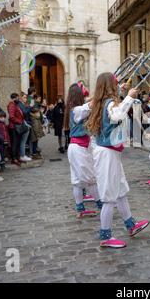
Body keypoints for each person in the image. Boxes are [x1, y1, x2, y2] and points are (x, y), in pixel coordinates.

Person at [87, 73, 150, 249]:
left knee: (120, 190)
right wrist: (129, 98)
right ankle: (105, 236)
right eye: (115, 85)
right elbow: (117, 115)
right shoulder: (108, 104)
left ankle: (130, 224)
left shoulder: (102, 102)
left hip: (110, 152)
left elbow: (114, 110)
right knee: (109, 197)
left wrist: (124, 94)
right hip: (107, 153)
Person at [64, 83, 101, 218]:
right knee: (90, 178)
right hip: (79, 148)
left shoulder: (72, 108)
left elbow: (90, 101)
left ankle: (80, 209)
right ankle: (101, 205)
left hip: (75, 147)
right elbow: (91, 104)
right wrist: (102, 91)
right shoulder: (78, 110)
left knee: (78, 181)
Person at [7, 93, 25, 166]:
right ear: (13, 98)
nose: (18, 99)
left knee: (17, 142)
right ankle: (14, 158)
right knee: (14, 143)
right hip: (14, 127)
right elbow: (11, 117)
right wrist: (19, 121)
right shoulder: (11, 105)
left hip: (17, 126)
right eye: (17, 98)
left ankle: (17, 157)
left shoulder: (15, 105)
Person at [17, 93, 32, 162]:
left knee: (23, 141)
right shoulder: (20, 104)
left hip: (25, 124)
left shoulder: (22, 104)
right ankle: (22, 155)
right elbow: (25, 112)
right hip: (24, 125)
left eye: (26, 97)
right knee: (23, 141)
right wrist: (29, 107)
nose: (25, 99)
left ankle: (23, 154)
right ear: (20, 98)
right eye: (24, 97)